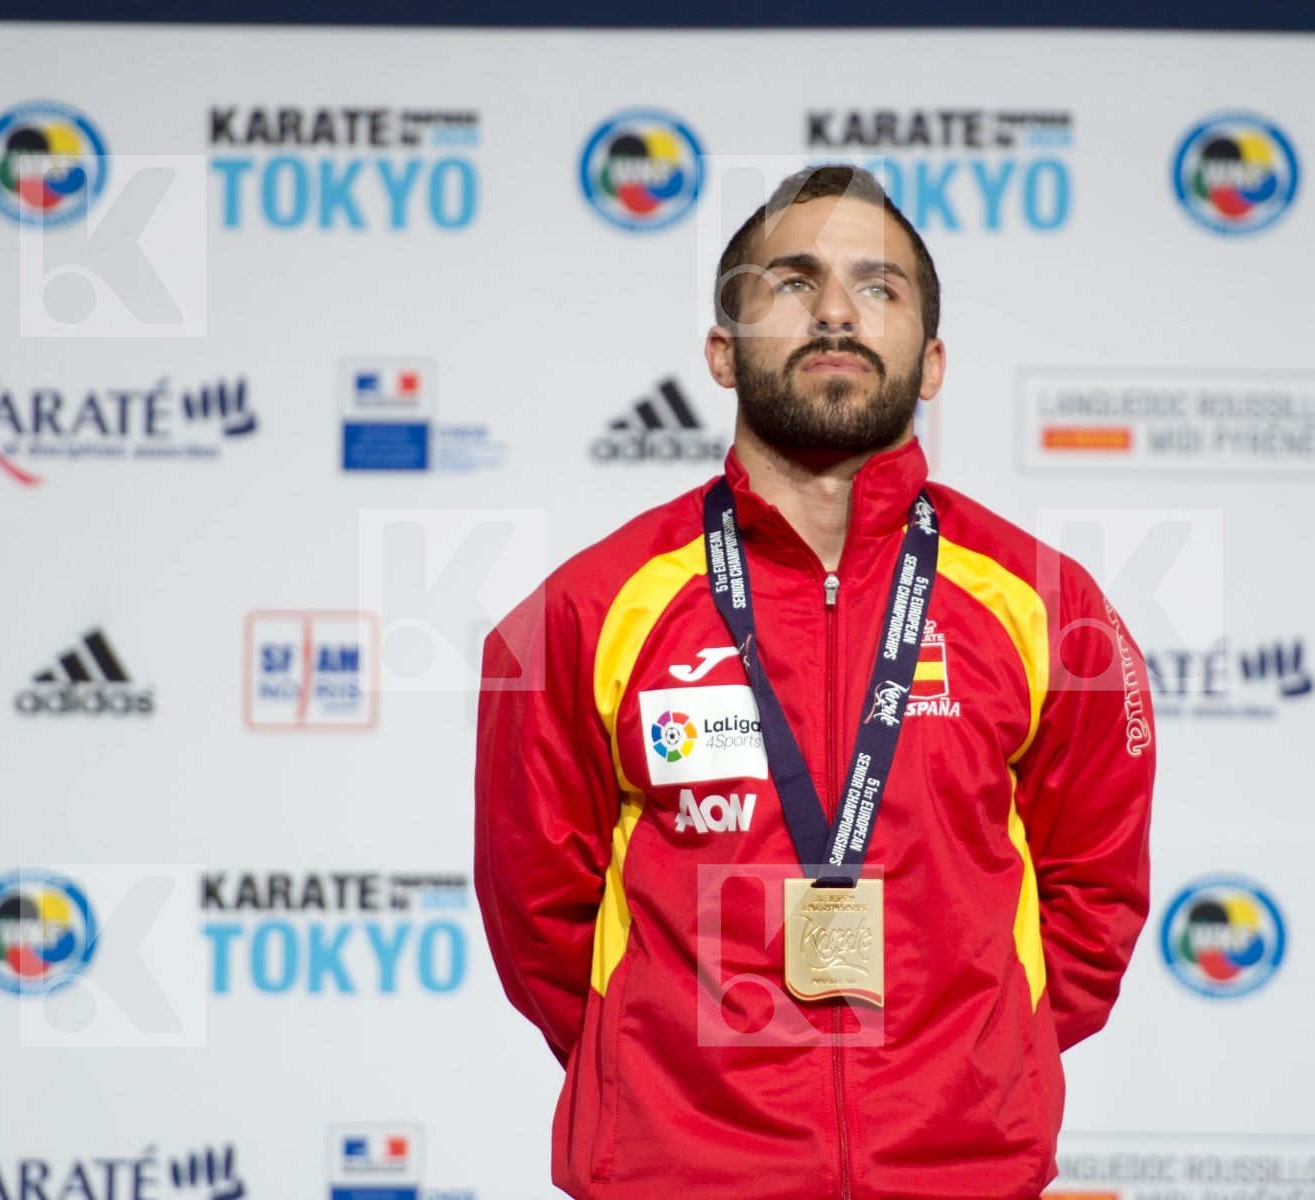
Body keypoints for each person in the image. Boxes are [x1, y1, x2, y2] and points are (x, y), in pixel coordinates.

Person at [475, 165, 1155, 1200]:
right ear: (720, 348)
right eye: (791, 283)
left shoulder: (1050, 609)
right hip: (676, 1180)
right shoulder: (583, 610)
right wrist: (661, 1076)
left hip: (960, 1177)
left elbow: (1094, 897)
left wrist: (963, 1074)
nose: (836, 309)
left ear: (930, 363)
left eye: (878, 289)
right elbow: (539, 919)